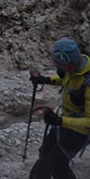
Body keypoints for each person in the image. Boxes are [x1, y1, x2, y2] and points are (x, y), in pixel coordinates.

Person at [29, 38, 90, 179]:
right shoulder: (75, 68)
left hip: (80, 131)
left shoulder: (88, 83)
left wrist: (59, 121)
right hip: (66, 121)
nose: (57, 67)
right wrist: (46, 80)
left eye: (59, 64)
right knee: (45, 153)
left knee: (57, 164)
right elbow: (66, 80)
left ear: (69, 64)